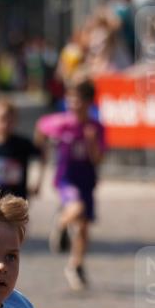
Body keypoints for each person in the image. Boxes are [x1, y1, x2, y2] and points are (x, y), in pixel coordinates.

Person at [35, 79, 105, 291]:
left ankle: (76, 265)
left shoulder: (96, 127)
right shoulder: (61, 122)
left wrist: (91, 143)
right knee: (77, 209)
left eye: (79, 100)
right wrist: (43, 147)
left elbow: (98, 159)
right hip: (66, 179)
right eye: (71, 99)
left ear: (89, 102)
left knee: (83, 226)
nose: (74, 104)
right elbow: (41, 129)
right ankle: (61, 223)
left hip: (87, 180)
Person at [0, 95, 42, 201]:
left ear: (15, 120)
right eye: (1, 119)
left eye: (9, 119)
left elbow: (41, 155)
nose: (5, 124)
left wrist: (38, 182)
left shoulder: (23, 144)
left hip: (18, 199)